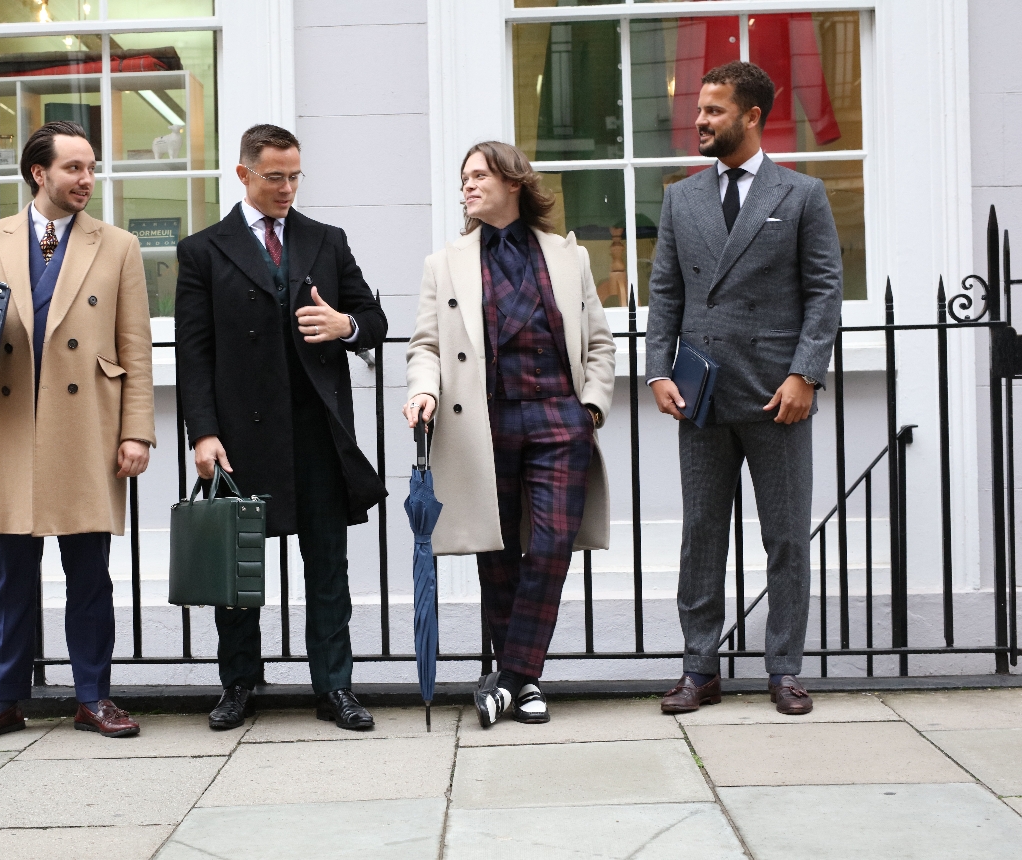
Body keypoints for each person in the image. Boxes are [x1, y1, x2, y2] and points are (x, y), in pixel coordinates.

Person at [0, 121, 155, 743]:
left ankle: (94, 697)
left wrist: (136, 432)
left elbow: (136, 347)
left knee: (90, 574)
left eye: (91, 168)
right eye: (74, 168)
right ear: (39, 173)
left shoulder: (119, 246)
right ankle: (2, 700)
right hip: (11, 425)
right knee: (10, 576)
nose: (87, 180)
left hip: (87, 428)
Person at [645, 62, 843, 716]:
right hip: (701, 394)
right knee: (701, 532)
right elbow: (666, 293)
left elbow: (824, 293)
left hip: (776, 395)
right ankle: (699, 669)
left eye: (713, 111)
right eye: (700, 110)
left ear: (752, 116)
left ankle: (785, 669)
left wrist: (805, 374)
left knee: (786, 536)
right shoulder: (680, 198)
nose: (700, 121)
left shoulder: (802, 194)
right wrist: (657, 369)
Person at [175, 124, 388, 731]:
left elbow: (373, 319)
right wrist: (203, 433)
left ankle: (335, 688)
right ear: (244, 174)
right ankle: (239, 684)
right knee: (236, 574)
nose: (288, 188)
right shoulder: (202, 250)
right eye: (275, 177)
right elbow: (194, 352)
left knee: (328, 569)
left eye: (295, 176)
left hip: (317, 431)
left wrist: (344, 325)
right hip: (240, 434)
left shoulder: (326, 240)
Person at [404, 142, 616, 728]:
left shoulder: (566, 257)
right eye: (463, 177)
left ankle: (509, 674)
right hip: (485, 424)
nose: (467, 186)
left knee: (550, 545)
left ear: (514, 182)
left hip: (558, 421)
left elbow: (599, 345)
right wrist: (423, 389)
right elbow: (426, 346)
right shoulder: (445, 262)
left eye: (479, 176)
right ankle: (525, 688)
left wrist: (590, 410)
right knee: (498, 555)